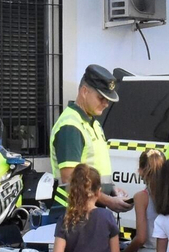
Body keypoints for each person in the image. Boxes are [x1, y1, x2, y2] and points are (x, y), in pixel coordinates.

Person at [49, 65, 130, 214]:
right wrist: (108, 200)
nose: (106, 104)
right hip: (74, 212)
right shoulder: (70, 126)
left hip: (88, 210)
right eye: (101, 98)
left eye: (108, 99)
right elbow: (70, 179)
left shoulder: (93, 123)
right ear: (84, 91)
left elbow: (96, 167)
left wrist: (111, 189)